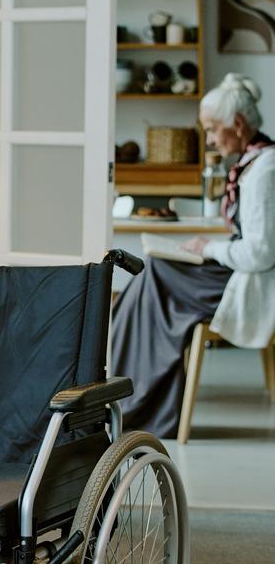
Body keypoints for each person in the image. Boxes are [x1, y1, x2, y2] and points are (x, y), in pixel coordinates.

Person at [112, 73, 275, 436]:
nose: (211, 139)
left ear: (237, 124)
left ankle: (131, 402)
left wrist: (209, 248)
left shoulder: (265, 169)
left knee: (154, 274)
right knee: (152, 276)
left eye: (213, 129)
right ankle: (131, 400)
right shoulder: (255, 163)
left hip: (250, 283)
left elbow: (261, 253)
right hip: (236, 276)